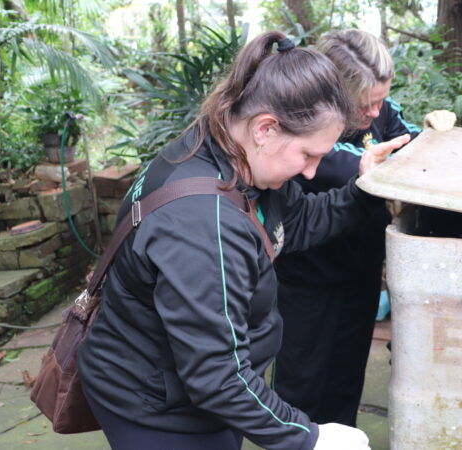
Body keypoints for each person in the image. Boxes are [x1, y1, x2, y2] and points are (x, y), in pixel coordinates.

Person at [77, 31, 393, 450]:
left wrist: (361, 190)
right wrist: (309, 437)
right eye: (308, 155)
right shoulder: (202, 226)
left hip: (192, 390)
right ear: (266, 128)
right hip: (153, 405)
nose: (313, 172)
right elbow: (217, 375)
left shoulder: (229, 149)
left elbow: (293, 224)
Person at [273, 29, 455, 426]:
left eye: (380, 100)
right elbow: (358, 164)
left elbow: (402, 140)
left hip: (360, 270)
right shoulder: (304, 127)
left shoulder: (380, 109)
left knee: (346, 376)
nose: (375, 113)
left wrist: (429, 137)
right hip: (307, 279)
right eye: (365, 104)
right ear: (333, 94)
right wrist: (405, 156)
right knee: (301, 384)